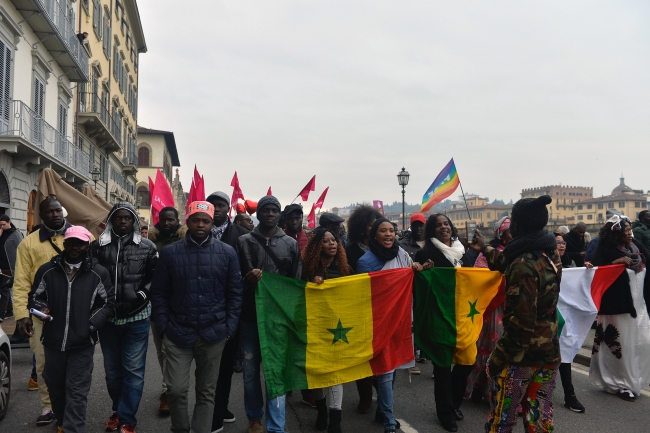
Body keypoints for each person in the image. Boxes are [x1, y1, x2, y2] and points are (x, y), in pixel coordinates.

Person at [471, 195, 561, 433]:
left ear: (517, 226)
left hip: (522, 359)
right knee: (538, 418)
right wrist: (485, 248)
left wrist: (497, 360)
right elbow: (504, 260)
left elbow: (521, 324)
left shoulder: (522, 264)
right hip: (549, 352)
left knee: (502, 420)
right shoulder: (550, 253)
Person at [151, 201, 243, 433]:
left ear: (212, 224)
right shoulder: (171, 253)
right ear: (188, 222)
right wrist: (163, 326)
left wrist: (229, 327)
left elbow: (235, 293)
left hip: (214, 333)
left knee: (206, 392)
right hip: (177, 332)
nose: (200, 225)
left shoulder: (227, 253)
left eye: (206, 221)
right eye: (196, 220)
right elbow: (160, 293)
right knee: (175, 389)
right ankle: (180, 428)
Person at [29, 226, 115, 433]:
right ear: (64, 244)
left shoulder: (98, 272)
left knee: (77, 391)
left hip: (82, 343)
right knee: (56, 389)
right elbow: (34, 297)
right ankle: (61, 421)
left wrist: (90, 325)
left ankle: (72, 428)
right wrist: (42, 309)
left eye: (80, 243)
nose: (75, 247)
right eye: (71, 242)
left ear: (87, 245)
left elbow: (108, 303)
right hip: (53, 341)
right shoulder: (47, 270)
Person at [236, 195, 302, 433]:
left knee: (276, 372)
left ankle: (276, 425)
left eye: (275, 210)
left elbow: (295, 282)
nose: (270, 214)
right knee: (251, 372)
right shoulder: (243, 241)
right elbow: (233, 281)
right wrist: (247, 280)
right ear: (259, 213)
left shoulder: (291, 245)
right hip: (250, 317)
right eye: (266, 210)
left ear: (279, 214)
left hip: (277, 319)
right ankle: (254, 418)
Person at [92, 202, 158, 433]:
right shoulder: (97, 247)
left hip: (137, 317)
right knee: (112, 371)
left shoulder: (148, 247)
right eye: (118, 218)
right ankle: (117, 410)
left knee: (133, 369)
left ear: (134, 222)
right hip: (108, 319)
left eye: (127, 218)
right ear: (112, 220)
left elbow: (155, 277)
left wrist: (142, 294)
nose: (122, 222)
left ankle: (127, 419)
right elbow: (90, 279)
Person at [357, 218, 427, 433]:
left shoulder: (403, 255)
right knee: (386, 371)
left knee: (393, 366)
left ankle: (381, 412)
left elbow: (409, 285)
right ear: (374, 236)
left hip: (402, 319)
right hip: (380, 321)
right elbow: (363, 296)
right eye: (383, 231)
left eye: (391, 230)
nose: (388, 234)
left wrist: (416, 269)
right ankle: (388, 421)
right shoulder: (365, 262)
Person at [13, 197, 72, 425]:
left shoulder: (78, 237)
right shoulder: (28, 244)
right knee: (44, 364)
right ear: (42, 215)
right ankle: (48, 407)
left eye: (58, 210)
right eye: (50, 212)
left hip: (73, 314)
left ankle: (70, 406)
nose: (56, 215)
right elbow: (20, 283)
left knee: (73, 364)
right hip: (41, 316)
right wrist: (21, 316)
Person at [414, 214, 473, 432]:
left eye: (446, 224)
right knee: (441, 368)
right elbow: (419, 281)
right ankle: (445, 414)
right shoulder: (426, 253)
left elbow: (471, 276)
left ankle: (453, 403)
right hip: (440, 315)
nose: (443, 228)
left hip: (463, 315)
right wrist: (423, 271)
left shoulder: (462, 249)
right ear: (432, 230)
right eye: (438, 225)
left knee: (467, 361)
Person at [205, 191, 253, 432]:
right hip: (204, 308)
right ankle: (213, 408)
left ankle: (221, 407)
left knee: (225, 363)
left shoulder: (243, 236)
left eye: (221, 204)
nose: (217, 208)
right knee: (207, 364)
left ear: (228, 209)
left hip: (233, 308)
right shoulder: (198, 232)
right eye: (212, 204)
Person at [589, 215, 650, 402]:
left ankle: (636, 380)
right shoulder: (605, 251)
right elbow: (597, 271)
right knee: (621, 347)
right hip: (618, 309)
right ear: (616, 234)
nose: (630, 234)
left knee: (643, 343)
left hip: (639, 307)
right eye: (626, 231)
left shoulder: (636, 248)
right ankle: (620, 383)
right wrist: (615, 264)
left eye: (630, 230)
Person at [301, 227, 352, 433]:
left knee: (335, 374)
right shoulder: (306, 269)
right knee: (318, 375)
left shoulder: (346, 268)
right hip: (315, 328)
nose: (332, 244)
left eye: (334, 240)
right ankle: (322, 410)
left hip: (339, 330)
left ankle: (335, 419)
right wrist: (311, 284)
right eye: (326, 241)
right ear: (315, 246)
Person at [466, 216, 512, 404]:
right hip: (493, 308)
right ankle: (481, 389)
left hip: (511, 307)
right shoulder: (488, 253)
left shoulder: (518, 252)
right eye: (510, 231)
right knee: (490, 348)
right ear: (502, 235)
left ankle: (499, 392)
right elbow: (480, 278)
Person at [342, 204, 383, 414]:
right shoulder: (350, 250)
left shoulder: (386, 247)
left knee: (382, 356)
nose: (373, 227)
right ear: (361, 227)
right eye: (369, 225)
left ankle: (384, 401)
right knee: (362, 357)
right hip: (359, 308)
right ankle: (366, 396)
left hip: (383, 309)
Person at [147, 206, 187, 414]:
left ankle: (169, 391)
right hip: (156, 302)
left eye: (171, 220)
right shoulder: (150, 242)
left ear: (177, 220)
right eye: (163, 220)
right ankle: (168, 387)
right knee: (161, 349)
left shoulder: (185, 241)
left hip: (179, 303)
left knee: (171, 349)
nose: (167, 223)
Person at [554, 232, 587, 413]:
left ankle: (570, 395)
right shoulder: (542, 263)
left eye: (563, 242)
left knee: (565, 349)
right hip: (546, 314)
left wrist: (585, 272)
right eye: (557, 242)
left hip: (564, 315)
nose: (561, 245)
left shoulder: (571, 264)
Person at [399, 213, 427, 371]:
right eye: (415, 225)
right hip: (409, 289)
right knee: (410, 322)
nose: (418, 228)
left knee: (425, 319)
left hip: (427, 289)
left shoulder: (432, 243)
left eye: (421, 225)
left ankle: (423, 351)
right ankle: (410, 359)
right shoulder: (402, 245)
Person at [0, 214, 23, 321]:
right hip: (1, 266)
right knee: (5, 289)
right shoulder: (1, 233)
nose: (2, 227)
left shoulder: (15, 234)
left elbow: (20, 250)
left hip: (10, 266)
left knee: (3, 289)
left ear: (9, 222)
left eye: (3, 224)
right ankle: (9, 311)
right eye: (0, 225)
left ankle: (1, 313)